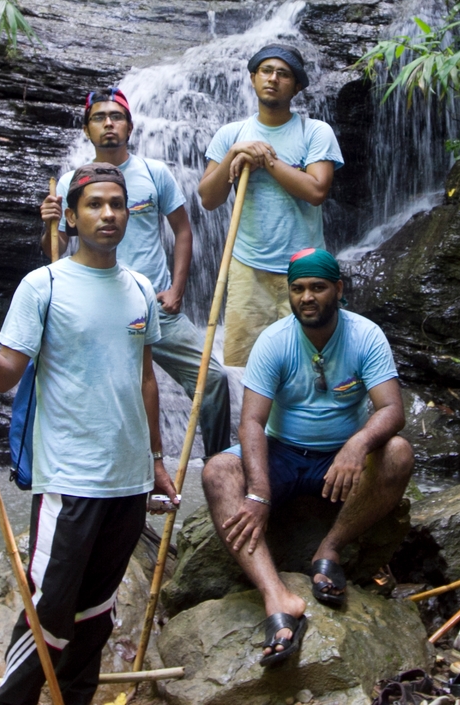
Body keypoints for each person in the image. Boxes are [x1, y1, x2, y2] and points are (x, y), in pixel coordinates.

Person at [0, 163, 179, 705]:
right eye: (94, 205)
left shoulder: (139, 288)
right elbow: (4, 373)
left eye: (118, 204)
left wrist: (156, 460)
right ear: (69, 215)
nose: (108, 214)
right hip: (70, 478)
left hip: (130, 480)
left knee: (97, 610)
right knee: (50, 605)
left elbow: (145, 377)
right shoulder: (43, 285)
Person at [201, 248, 414, 666]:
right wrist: (259, 493)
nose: (307, 297)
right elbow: (251, 423)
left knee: (398, 453)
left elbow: (391, 409)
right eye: (297, 289)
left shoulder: (365, 335)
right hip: (280, 453)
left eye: (317, 287)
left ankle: (328, 552)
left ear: (338, 288)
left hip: (337, 460)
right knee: (217, 471)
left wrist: (357, 445)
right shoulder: (274, 340)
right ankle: (277, 598)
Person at [39, 87, 232, 455]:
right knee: (110, 396)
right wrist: (49, 224)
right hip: (98, 309)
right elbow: (56, 250)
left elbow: (183, 230)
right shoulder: (70, 183)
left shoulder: (153, 172)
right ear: (86, 129)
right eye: (99, 117)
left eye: (116, 117)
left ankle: (218, 466)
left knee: (214, 379)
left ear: (130, 127)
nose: (108, 123)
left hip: (156, 304)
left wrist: (177, 289)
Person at [199, 43, 343, 368]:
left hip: (305, 271)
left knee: (312, 365)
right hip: (247, 269)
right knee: (241, 368)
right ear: (252, 78)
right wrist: (235, 154)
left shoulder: (315, 132)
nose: (273, 78)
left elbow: (317, 190)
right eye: (266, 70)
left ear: (297, 86)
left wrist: (266, 158)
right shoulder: (231, 134)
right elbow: (209, 198)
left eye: (283, 74)